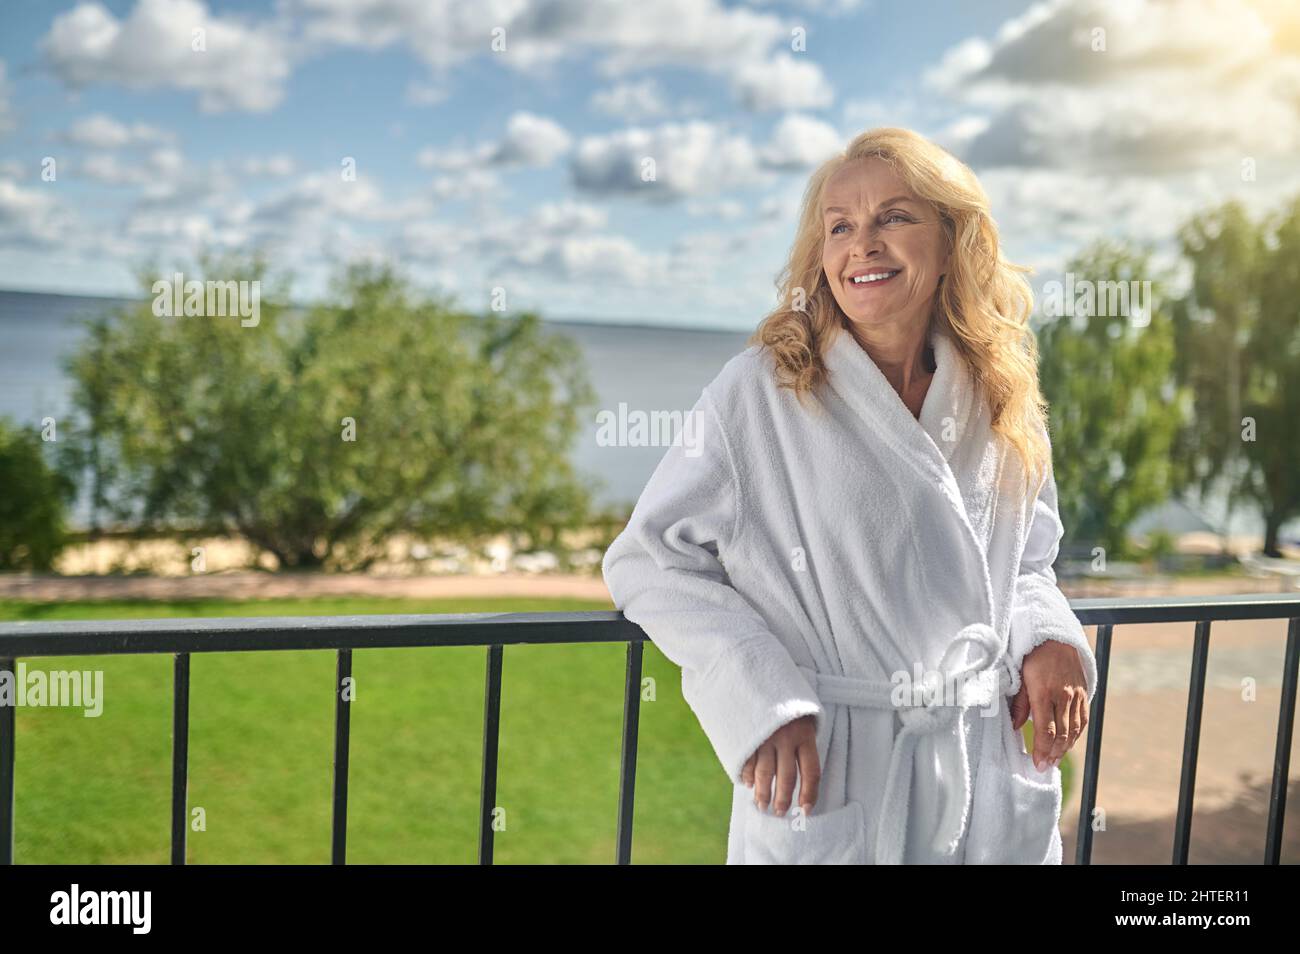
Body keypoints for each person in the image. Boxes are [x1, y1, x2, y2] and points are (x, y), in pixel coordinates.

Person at [602, 127, 1097, 864]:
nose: (862, 244)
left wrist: (1050, 635)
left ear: (950, 239)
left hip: (979, 772)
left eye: (894, 217)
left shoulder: (1000, 396)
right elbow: (649, 561)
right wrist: (757, 700)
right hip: (839, 775)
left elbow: (1026, 563)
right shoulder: (762, 394)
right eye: (840, 226)